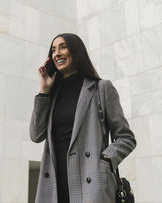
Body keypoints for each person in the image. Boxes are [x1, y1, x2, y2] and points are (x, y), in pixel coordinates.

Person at [29, 33, 136, 203]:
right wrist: (43, 91)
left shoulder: (101, 88)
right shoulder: (51, 94)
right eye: (53, 50)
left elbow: (126, 138)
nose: (57, 53)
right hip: (55, 184)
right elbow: (36, 135)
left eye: (63, 47)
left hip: (90, 181)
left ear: (76, 51)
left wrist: (105, 161)